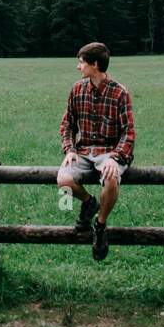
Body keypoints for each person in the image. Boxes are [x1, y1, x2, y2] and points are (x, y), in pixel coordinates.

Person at [57, 41, 134, 261]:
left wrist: (115, 157)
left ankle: (100, 226)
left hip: (110, 151)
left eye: (81, 62)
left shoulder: (120, 93)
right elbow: (68, 125)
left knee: (111, 178)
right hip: (83, 152)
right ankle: (89, 202)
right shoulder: (77, 90)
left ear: (95, 64)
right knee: (63, 180)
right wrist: (70, 150)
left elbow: (128, 133)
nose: (78, 67)